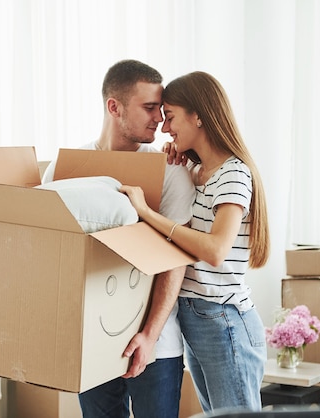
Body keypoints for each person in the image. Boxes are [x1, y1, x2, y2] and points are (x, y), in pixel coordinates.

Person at [42, 59, 195, 418]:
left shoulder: (169, 169)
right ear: (114, 106)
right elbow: (55, 255)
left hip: (156, 345)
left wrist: (151, 335)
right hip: (91, 341)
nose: (159, 118)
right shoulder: (65, 169)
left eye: (160, 108)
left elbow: (175, 258)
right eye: (148, 108)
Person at [120, 71, 270, 412]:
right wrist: (181, 165)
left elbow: (216, 250)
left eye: (170, 116)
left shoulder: (234, 173)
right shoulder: (200, 173)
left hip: (225, 321)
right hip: (198, 319)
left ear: (198, 115)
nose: (165, 127)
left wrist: (148, 213)